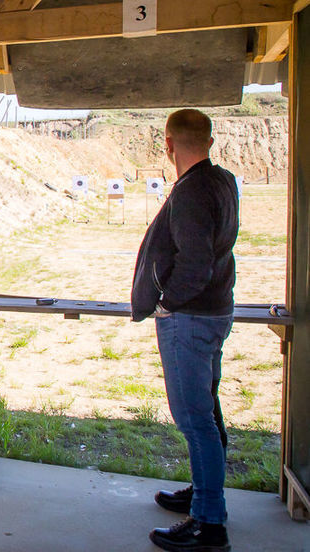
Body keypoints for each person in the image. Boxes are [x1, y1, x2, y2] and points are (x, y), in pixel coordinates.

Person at [131, 109, 239, 552]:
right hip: (212, 313)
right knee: (206, 414)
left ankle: (209, 524)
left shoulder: (193, 191)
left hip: (190, 318)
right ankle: (204, 493)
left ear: (169, 144)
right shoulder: (222, 180)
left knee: (195, 420)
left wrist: (166, 305)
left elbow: (195, 263)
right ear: (210, 143)